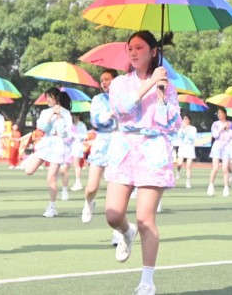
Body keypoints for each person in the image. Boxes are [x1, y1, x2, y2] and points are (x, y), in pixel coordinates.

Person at [104, 31, 180, 295]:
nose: (134, 52)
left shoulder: (166, 85)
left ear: (153, 51)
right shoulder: (119, 83)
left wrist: (161, 96)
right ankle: (127, 232)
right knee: (113, 215)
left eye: (139, 47)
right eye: (130, 48)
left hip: (153, 150)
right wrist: (149, 85)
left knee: (145, 218)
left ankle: (147, 281)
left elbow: (171, 125)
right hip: (124, 149)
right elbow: (121, 109)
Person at [24, 88, 74, 218]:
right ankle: (29, 157)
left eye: (49, 97)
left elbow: (68, 132)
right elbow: (41, 127)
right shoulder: (45, 112)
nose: (47, 100)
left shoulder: (66, 113)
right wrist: (52, 115)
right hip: (46, 143)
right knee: (28, 171)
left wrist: (60, 118)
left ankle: (52, 207)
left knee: (51, 177)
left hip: (58, 146)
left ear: (56, 98)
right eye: (46, 97)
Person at [82, 69, 118, 225]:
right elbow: (95, 121)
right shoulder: (98, 99)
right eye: (102, 80)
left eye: (107, 79)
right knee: (92, 187)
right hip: (102, 141)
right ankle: (88, 202)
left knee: (115, 187)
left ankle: (118, 226)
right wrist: (110, 114)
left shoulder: (125, 97)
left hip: (120, 142)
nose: (104, 83)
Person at [207, 107, 232, 197]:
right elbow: (214, 135)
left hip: (226, 147)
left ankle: (226, 187)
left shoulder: (230, 124)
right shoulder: (215, 124)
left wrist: (228, 129)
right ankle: (211, 185)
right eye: (218, 113)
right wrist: (222, 128)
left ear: (225, 114)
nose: (219, 115)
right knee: (215, 168)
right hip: (217, 147)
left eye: (221, 113)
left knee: (225, 169)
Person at [68, 111, 88, 192]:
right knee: (73, 165)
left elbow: (85, 136)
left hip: (78, 146)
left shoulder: (81, 125)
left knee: (77, 165)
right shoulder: (70, 125)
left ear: (78, 116)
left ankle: (78, 182)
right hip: (71, 147)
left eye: (74, 116)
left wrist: (76, 136)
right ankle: (77, 181)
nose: (73, 118)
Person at [176, 115, 197, 189]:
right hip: (183, 147)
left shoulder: (193, 128)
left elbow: (192, 137)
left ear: (189, 120)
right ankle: (178, 171)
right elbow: (179, 136)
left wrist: (187, 130)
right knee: (179, 163)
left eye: (186, 119)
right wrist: (183, 129)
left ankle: (188, 181)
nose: (185, 120)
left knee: (189, 165)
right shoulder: (181, 128)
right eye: (184, 119)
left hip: (190, 147)